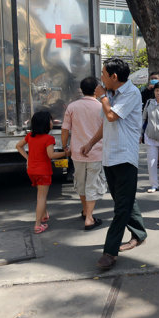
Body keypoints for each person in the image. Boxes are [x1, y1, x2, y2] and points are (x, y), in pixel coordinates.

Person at [82, 58, 147, 270]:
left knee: (121, 207)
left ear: (114, 77)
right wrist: (91, 143)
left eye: (103, 74)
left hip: (125, 157)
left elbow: (111, 116)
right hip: (109, 157)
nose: (100, 78)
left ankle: (109, 252)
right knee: (123, 199)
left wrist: (101, 97)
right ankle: (139, 232)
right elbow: (105, 125)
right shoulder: (109, 95)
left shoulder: (131, 93)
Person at [61, 76, 106, 230]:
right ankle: (89, 218)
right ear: (96, 90)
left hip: (77, 153)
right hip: (96, 152)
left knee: (81, 183)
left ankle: (86, 211)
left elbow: (65, 129)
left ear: (81, 89)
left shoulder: (72, 107)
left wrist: (64, 147)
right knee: (92, 184)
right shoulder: (101, 107)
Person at [16, 111, 68, 234]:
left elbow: (18, 146)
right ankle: (38, 224)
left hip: (32, 170)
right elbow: (51, 155)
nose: (52, 122)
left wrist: (28, 158)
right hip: (43, 171)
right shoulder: (49, 138)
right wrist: (66, 153)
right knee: (41, 197)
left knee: (40, 194)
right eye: (51, 120)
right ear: (45, 124)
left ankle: (44, 215)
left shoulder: (30, 136)